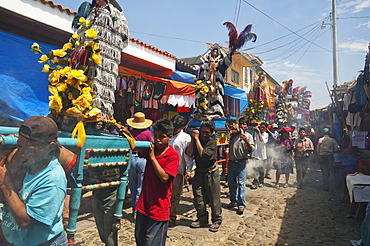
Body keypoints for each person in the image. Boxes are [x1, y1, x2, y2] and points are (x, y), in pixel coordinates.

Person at [0, 116, 68, 245]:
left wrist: (5, 183)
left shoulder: (52, 179)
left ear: (49, 147)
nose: (21, 153)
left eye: (28, 149)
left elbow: (25, 221)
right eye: (20, 146)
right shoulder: (26, 161)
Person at [74, 0, 129, 119]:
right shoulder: (89, 10)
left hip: (103, 56)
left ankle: (98, 112)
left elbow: (122, 36)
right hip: (84, 52)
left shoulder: (114, 12)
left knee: (98, 81)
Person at [135, 119, 179, 246]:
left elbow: (164, 178)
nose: (158, 140)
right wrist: (127, 133)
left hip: (159, 206)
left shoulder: (172, 155)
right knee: (140, 238)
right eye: (155, 136)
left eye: (162, 137)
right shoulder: (151, 149)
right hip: (144, 203)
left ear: (170, 137)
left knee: (152, 242)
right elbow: (134, 146)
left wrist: (153, 158)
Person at [186, 121, 222, 232]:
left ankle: (216, 220)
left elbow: (203, 154)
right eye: (202, 132)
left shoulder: (211, 143)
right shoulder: (197, 140)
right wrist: (193, 139)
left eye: (207, 132)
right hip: (199, 172)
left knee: (213, 198)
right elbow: (189, 153)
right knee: (198, 197)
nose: (204, 135)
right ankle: (202, 218)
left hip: (211, 173)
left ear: (212, 133)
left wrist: (196, 139)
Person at [122, 112, 153, 220]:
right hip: (143, 159)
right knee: (141, 187)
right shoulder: (148, 133)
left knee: (133, 186)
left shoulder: (129, 133)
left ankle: (133, 209)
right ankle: (137, 211)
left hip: (131, 158)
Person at [168, 115, 193, 227]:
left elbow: (188, 155)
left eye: (177, 126)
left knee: (174, 195)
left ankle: (171, 216)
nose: (174, 128)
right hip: (164, 169)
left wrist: (189, 170)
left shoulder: (185, 138)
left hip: (177, 170)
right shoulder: (167, 135)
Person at [227, 117, 254, 214]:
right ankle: (233, 201)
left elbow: (251, 149)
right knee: (231, 183)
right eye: (241, 124)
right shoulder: (234, 135)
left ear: (247, 126)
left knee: (241, 184)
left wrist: (246, 141)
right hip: (231, 162)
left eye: (244, 124)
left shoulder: (249, 136)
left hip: (241, 163)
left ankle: (241, 204)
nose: (242, 126)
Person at [251, 122, 269, 189]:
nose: (261, 129)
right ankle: (255, 182)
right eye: (260, 127)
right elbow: (253, 140)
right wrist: (254, 132)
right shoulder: (255, 133)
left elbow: (262, 140)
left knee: (261, 169)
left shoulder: (266, 135)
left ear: (266, 129)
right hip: (255, 153)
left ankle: (261, 181)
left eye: (263, 128)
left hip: (262, 154)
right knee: (255, 168)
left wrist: (258, 132)